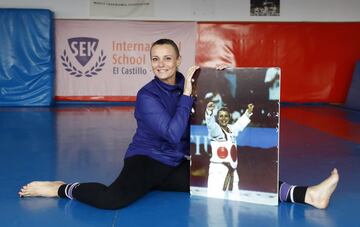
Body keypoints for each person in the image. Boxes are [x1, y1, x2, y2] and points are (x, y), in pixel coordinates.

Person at [19, 38, 339, 210]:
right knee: (112, 200)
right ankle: (59, 188)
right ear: (151, 63)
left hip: (176, 163)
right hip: (147, 160)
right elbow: (173, 135)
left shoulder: (189, 82)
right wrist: (188, 94)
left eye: (167, 58)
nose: (161, 64)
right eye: (155, 59)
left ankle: (307, 195)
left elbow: (212, 110)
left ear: (176, 59)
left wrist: (221, 81)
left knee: (230, 180)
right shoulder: (147, 96)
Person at [205, 102, 254, 198]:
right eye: (221, 116)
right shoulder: (216, 131)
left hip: (232, 171)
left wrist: (248, 112)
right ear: (218, 118)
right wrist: (209, 112)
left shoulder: (231, 129)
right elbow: (210, 124)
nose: (223, 119)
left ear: (229, 117)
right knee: (215, 205)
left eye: (226, 116)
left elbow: (240, 124)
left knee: (235, 205)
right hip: (218, 172)